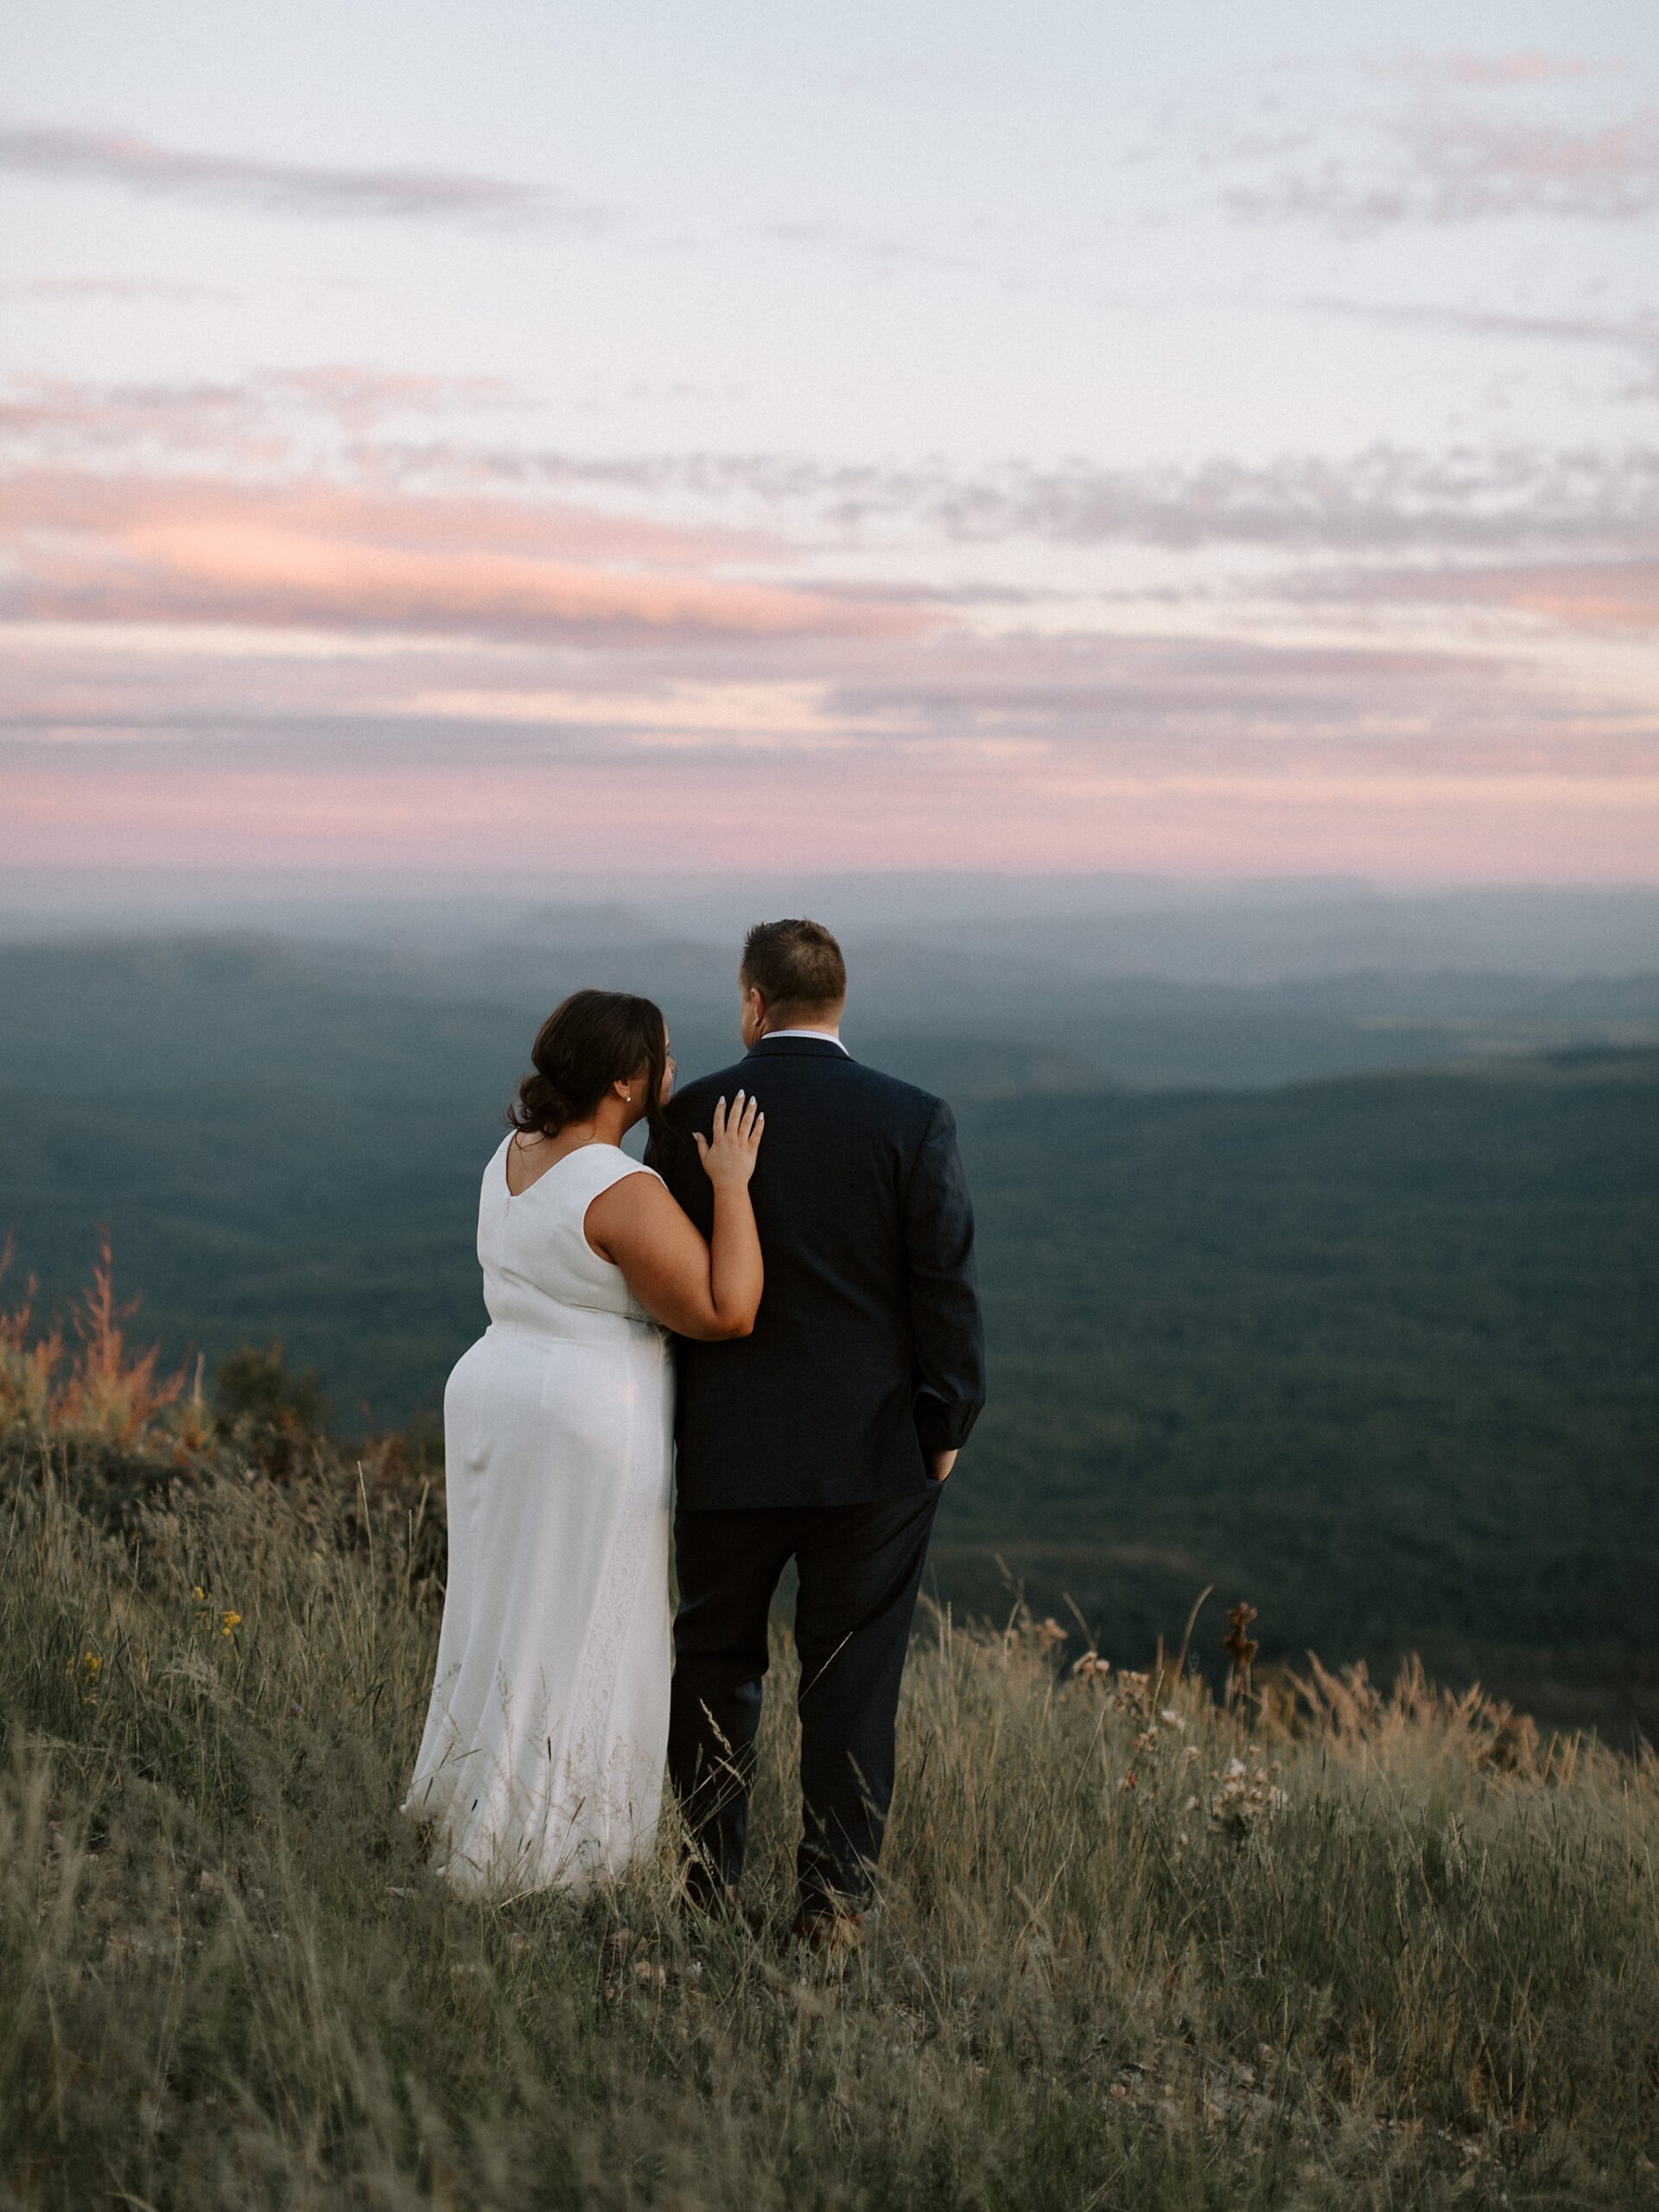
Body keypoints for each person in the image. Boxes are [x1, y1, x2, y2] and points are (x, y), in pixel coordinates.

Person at [653, 918, 985, 1946]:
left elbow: (662, 1290)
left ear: (754, 1002)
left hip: (726, 1450)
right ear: (839, 1002)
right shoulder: (912, 1118)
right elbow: (946, 1288)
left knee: (715, 1662)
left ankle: (706, 1885)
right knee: (852, 1683)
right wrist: (946, 1425)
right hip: (872, 1455)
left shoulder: (693, 1112)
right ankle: (833, 1908)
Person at [404, 988, 764, 1897]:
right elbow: (728, 1308)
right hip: (584, 1420)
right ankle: (562, 1851)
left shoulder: (513, 1154)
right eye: (664, 1060)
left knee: (503, 1611)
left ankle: (476, 1803)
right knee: (583, 1619)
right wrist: (729, 1186)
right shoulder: (621, 1189)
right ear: (623, 1079)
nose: (674, 1074)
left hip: (492, 1397)